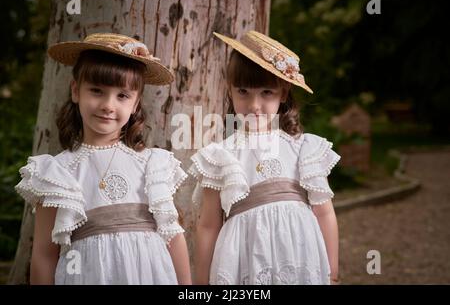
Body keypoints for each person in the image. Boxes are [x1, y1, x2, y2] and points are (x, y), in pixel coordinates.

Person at [15, 33, 191, 285]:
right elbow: (44, 254)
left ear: (136, 103)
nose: (108, 105)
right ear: (76, 91)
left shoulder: (152, 165)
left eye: (122, 96)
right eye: (97, 91)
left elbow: (173, 237)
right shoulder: (57, 172)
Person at [190, 31, 341, 285]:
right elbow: (208, 225)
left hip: (299, 260)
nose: (254, 105)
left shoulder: (303, 149)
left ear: (283, 93)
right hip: (243, 264)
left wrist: (333, 273)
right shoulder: (220, 156)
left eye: (266, 93)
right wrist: (201, 285)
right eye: (243, 92)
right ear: (230, 90)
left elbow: (324, 213)